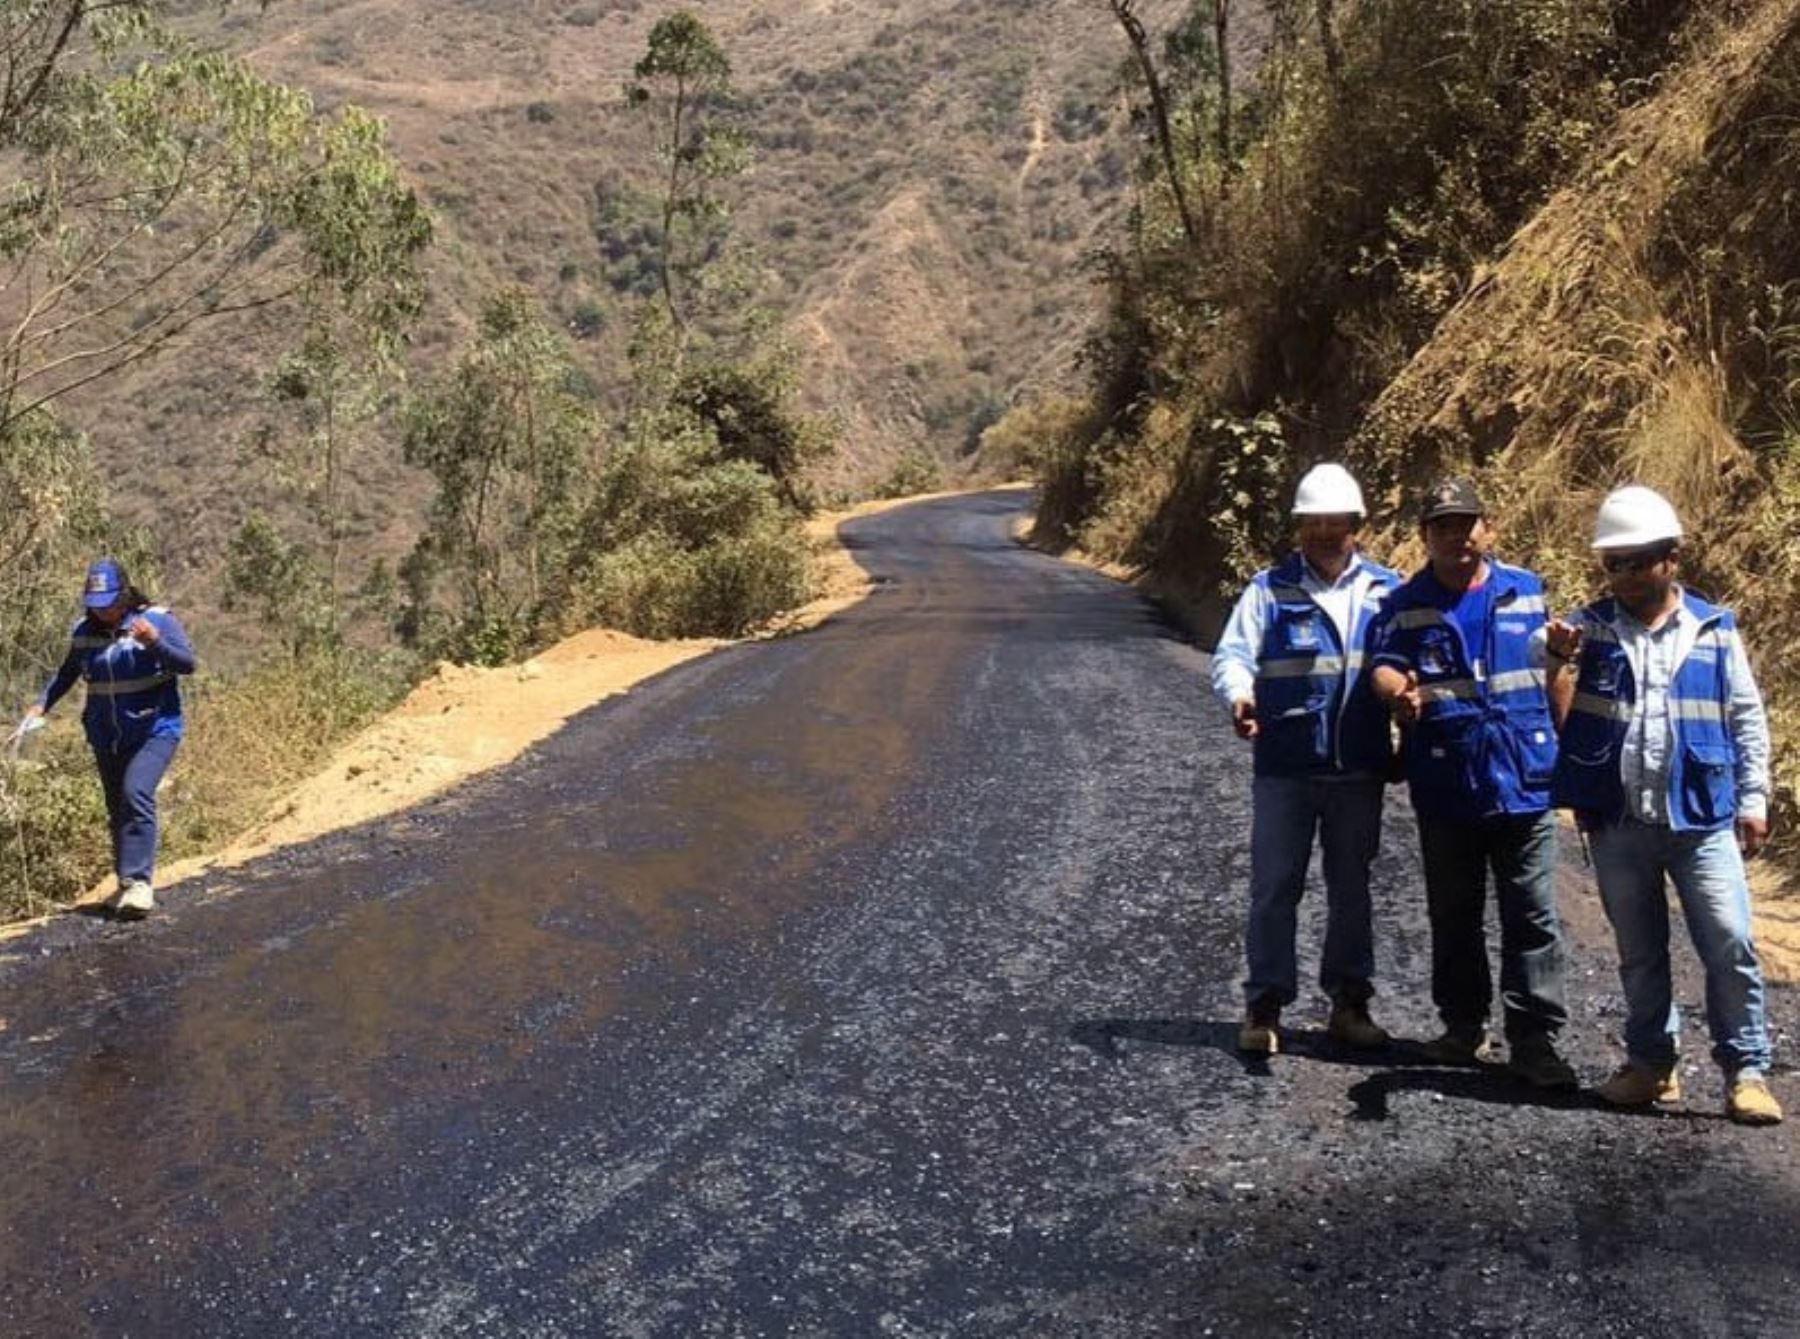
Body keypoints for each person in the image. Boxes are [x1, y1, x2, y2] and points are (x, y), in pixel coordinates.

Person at [1542, 485, 1782, 1125]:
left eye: (1635, 561)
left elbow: (1746, 718)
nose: (1621, 575)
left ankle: (1747, 1071)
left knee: (1730, 941)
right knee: (1639, 952)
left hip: (1701, 819)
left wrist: (1754, 799)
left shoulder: (1714, 629)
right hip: (1619, 821)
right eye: (1611, 564)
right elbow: (1554, 702)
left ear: (1670, 560)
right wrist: (1557, 661)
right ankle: (1652, 1065)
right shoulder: (1586, 630)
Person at [1367, 478, 1577, 1088]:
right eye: (1443, 526)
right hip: (1448, 782)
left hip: (1526, 782)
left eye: (1468, 523)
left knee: (1532, 916)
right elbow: (1382, 665)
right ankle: (1462, 1029)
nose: (1458, 536)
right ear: (1424, 536)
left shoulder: (1526, 593)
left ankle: (1535, 1042)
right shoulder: (1406, 603)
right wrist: (1396, 694)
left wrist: (1571, 756)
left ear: (1489, 528)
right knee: (1454, 914)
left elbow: (1553, 674)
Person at [1211, 463, 1401, 1055]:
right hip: (1286, 769)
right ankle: (1264, 1007)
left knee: (1352, 890)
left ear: (1355, 524)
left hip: (1358, 770)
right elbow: (1233, 655)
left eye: (1334, 520)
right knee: (1274, 888)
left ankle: (1349, 1005)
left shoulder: (1388, 591)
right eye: (1312, 521)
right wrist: (1240, 695)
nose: (1323, 531)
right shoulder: (1268, 590)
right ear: (1298, 526)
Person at [21, 559, 197, 920]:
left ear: (126, 595)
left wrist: (156, 644)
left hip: (155, 729)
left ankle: (139, 883)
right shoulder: (84, 631)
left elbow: (187, 664)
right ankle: (124, 883)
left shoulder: (157, 621)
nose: (103, 612)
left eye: (109, 604)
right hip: (106, 735)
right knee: (117, 806)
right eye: (96, 605)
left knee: (137, 793)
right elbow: (67, 673)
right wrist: (41, 706)